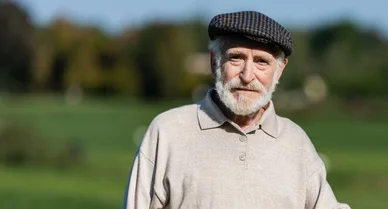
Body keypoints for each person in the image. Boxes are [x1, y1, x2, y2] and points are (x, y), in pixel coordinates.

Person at [122, 10, 351, 209]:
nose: (247, 76)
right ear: (214, 62)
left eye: (261, 61)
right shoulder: (168, 131)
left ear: (279, 71)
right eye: (236, 58)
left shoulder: (296, 142)